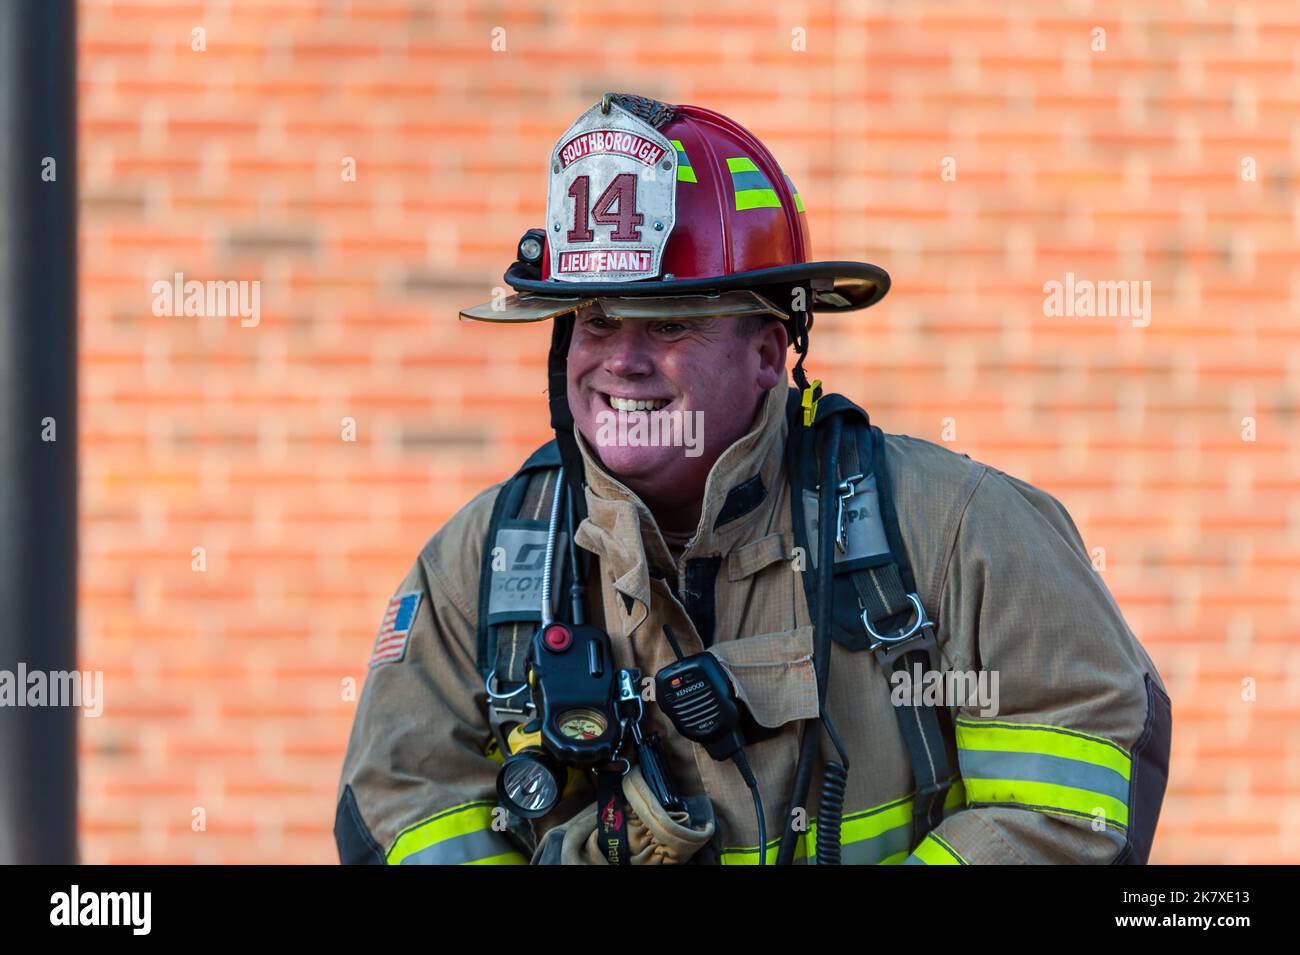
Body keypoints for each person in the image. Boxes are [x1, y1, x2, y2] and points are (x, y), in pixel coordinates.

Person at [334, 93, 1171, 865]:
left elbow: (1075, 795)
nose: (621, 361)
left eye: (673, 324)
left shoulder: (954, 530)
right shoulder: (478, 569)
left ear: (769, 352)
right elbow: (406, 807)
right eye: (596, 321)